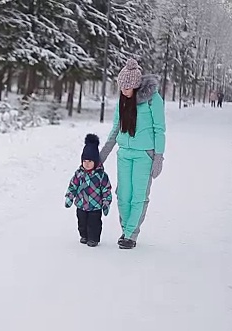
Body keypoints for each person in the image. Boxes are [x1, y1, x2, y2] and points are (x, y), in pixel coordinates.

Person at [99, 59, 166, 249]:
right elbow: (115, 130)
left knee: (138, 196)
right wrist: (102, 155)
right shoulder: (123, 101)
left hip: (144, 155)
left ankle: (130, 235)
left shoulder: (153, 100)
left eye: (127, 88)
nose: (124, 91)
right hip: (124, 154)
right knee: (123, 195)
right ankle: (125, 230)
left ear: (136, 87)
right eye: (122, 88)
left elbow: (159, 130)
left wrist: (158, 157)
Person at [65, 134, 113, 247]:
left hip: (95, 206)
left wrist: (106, 203)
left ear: (96, 162)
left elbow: (106, 190)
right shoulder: (79, 174)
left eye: (90, 161)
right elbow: (72, 187)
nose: (87, 164)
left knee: (94, 223)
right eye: (84, 161)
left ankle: (93, 238)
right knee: (81, 222)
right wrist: (69, 198)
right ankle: (84, 235)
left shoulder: (101, 176)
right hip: (81, 205)